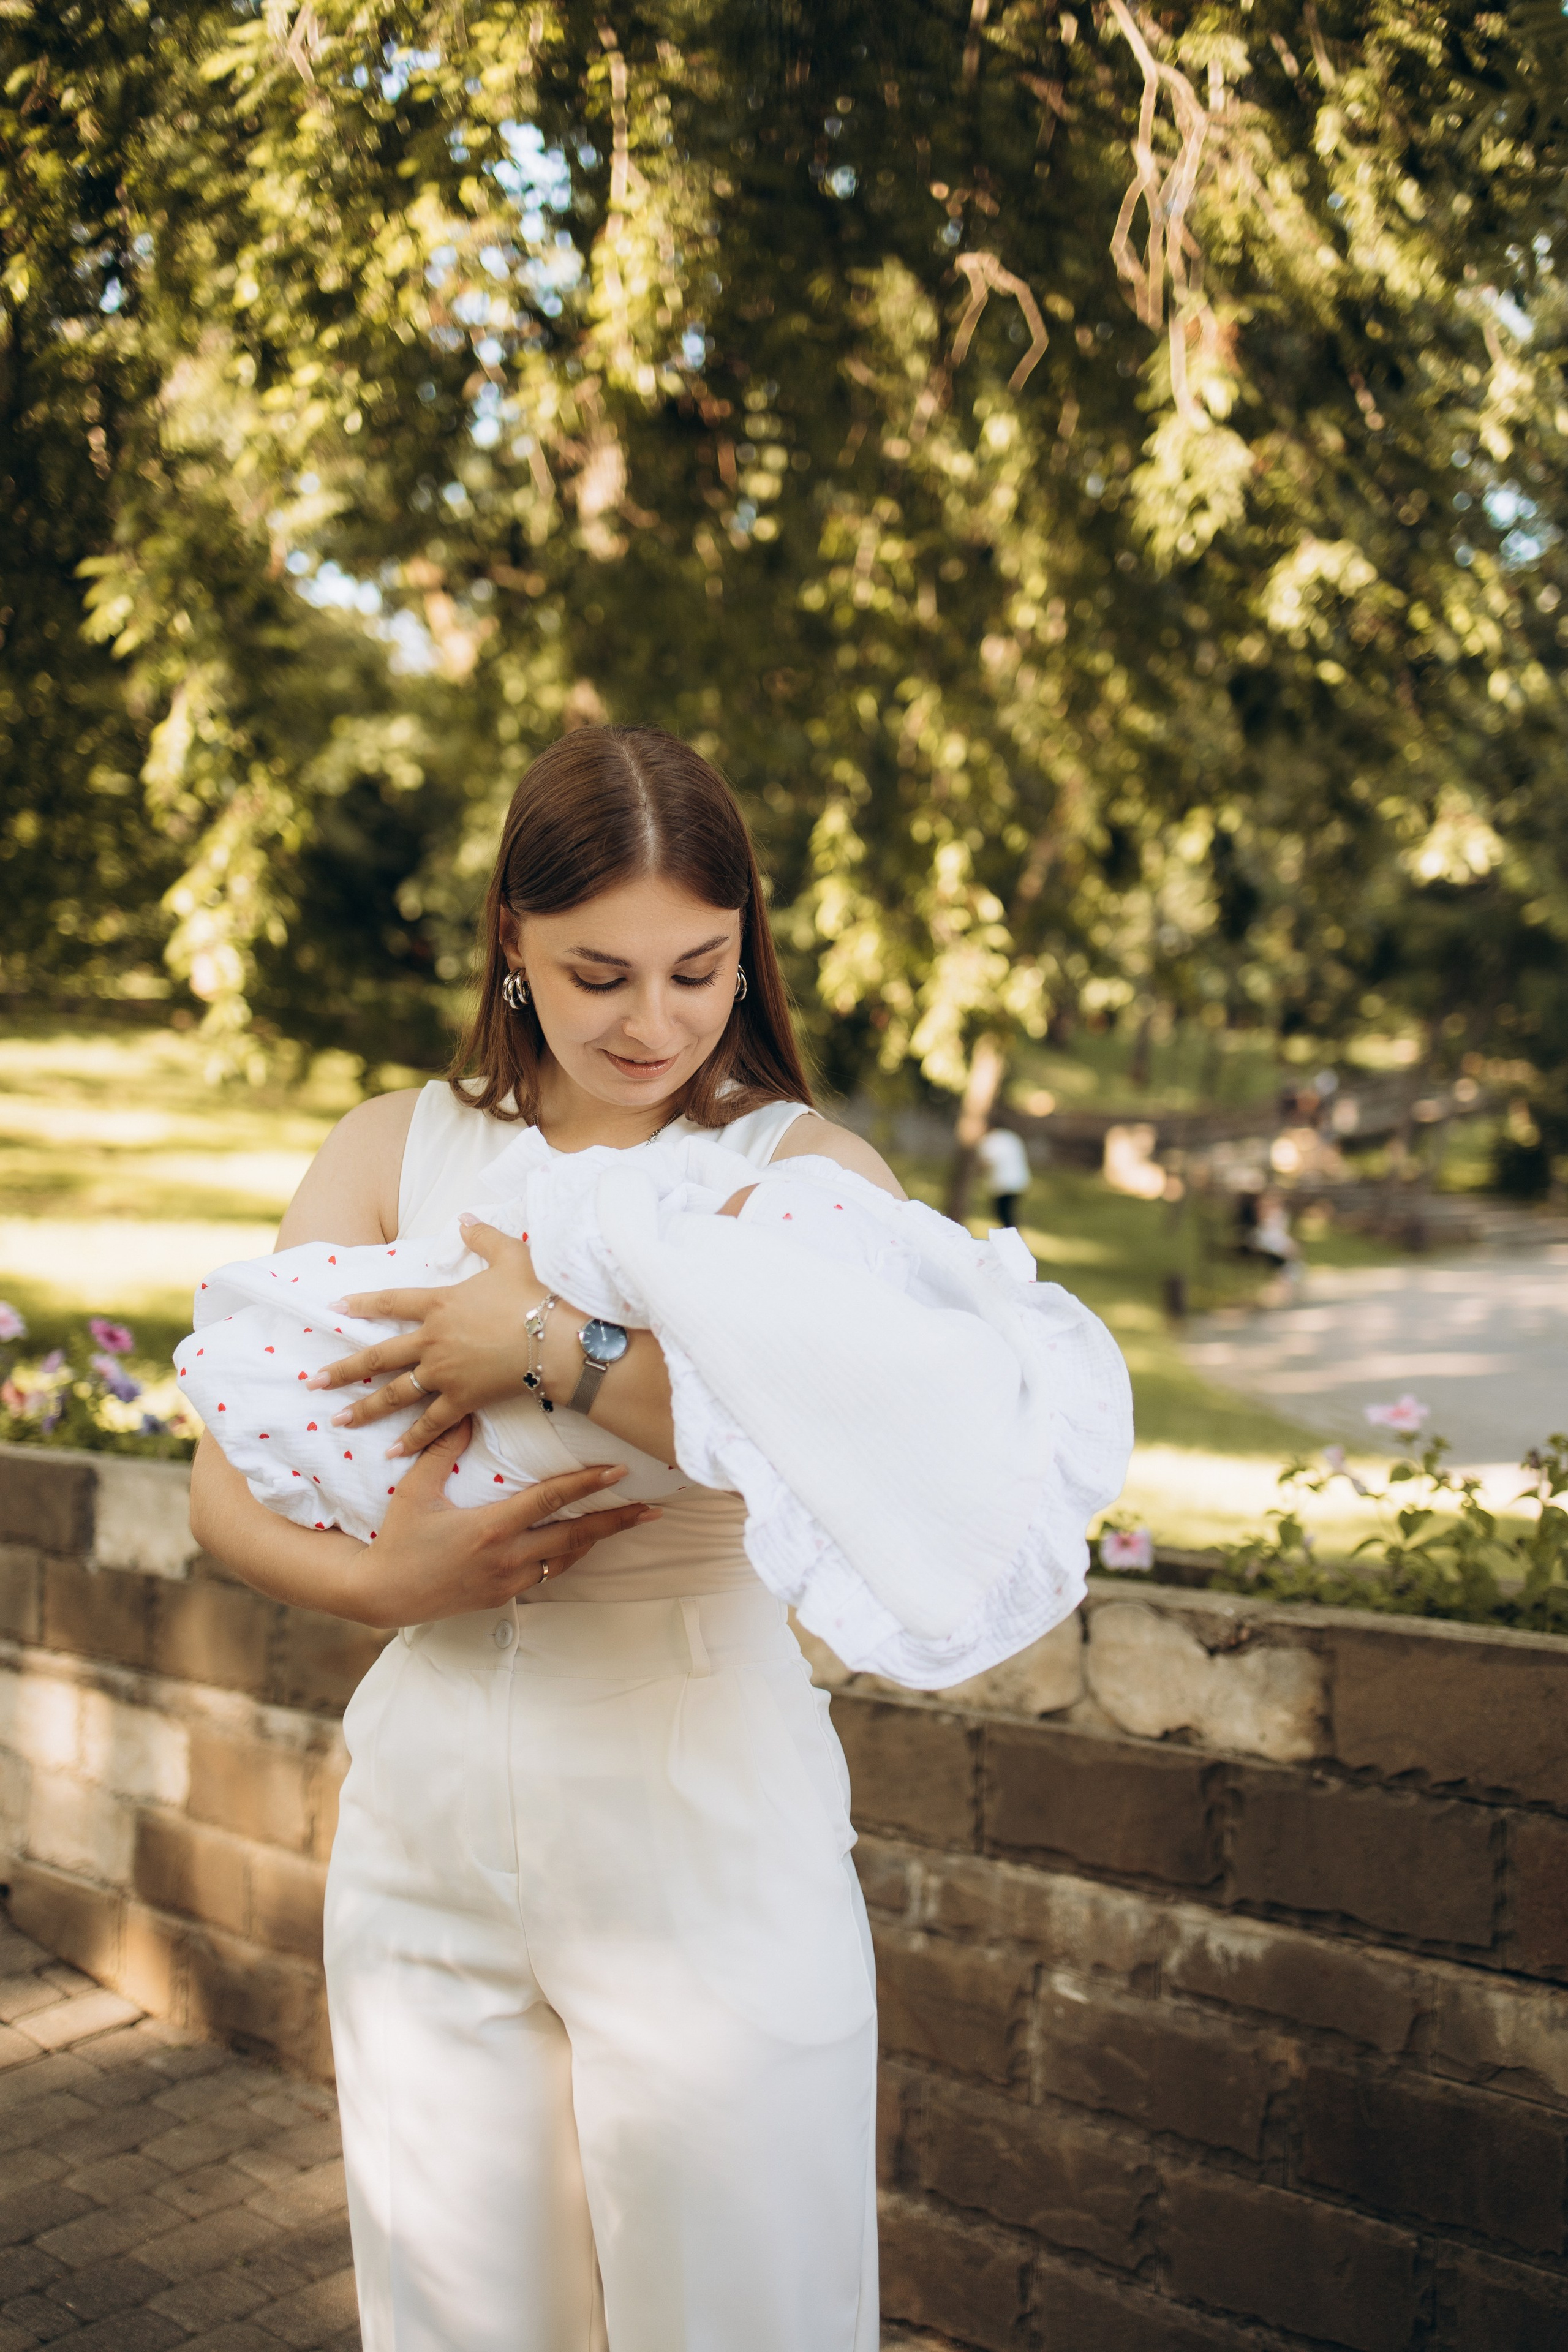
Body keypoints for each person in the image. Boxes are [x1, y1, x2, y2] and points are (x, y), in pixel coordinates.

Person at [187, 726, 1131, 2352]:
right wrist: (387, 1583)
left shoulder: (797, 1175)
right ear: (511, 946)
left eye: (703, 969)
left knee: (741, 2315)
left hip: (706, 1825)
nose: (656, 1021)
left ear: (749, 949)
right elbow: (223, 1486)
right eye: (599, 972)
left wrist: (550, 1347)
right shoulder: (389, 1151)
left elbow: (881, 1460)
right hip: (424, 1818)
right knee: (456, 2321)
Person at [975, 1119, 1031, 1229]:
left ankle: (1010, 1238)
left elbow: (987, 1161)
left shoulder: (991, 1140)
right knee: (1008, 1213)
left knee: (1003, 1214)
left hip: (1003, 1184)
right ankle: (1012, 1236)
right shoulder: (1010, 1136)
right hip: (1020, 1181)